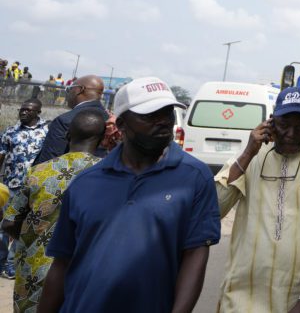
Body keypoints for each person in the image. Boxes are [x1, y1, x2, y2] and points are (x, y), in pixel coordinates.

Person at [38, 77, 220, 313]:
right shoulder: (86, 182)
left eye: (167, 113)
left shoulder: (194, 177)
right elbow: (62, 263)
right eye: (150, 115)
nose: (163, 122)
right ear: (122, 124)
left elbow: (195, 253)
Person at [215, 87, 300, 313]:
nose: (292, 133)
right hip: (242, 294)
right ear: (271, 121)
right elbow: (215, 208)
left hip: (294, 296)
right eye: (284, 124)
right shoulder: (253, 155)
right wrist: (247, 154)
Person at [2, 109, 106, 313]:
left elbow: (9, 223)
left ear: (67, 135)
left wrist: (32, 240)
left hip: (35, 273)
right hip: (85, 274)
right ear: (102, 140)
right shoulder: (109, 176)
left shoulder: (39, 172)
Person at [0, 99, 48, 279]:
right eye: (22, 109)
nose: (24, 112)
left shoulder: (47, 132)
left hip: (33, 187)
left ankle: (11, 264)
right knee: (3, 225)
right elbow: (1, 156)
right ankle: (1, 261)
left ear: (38, 112)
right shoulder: (10, 132)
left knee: (22, 227)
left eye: (29, 110)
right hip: (10, 186)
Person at [34, 75, 107, 164]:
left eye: (69, 89)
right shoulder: (111, 120)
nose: (67, 93)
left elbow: (48, 162)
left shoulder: (64, 120)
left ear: (79, 90)